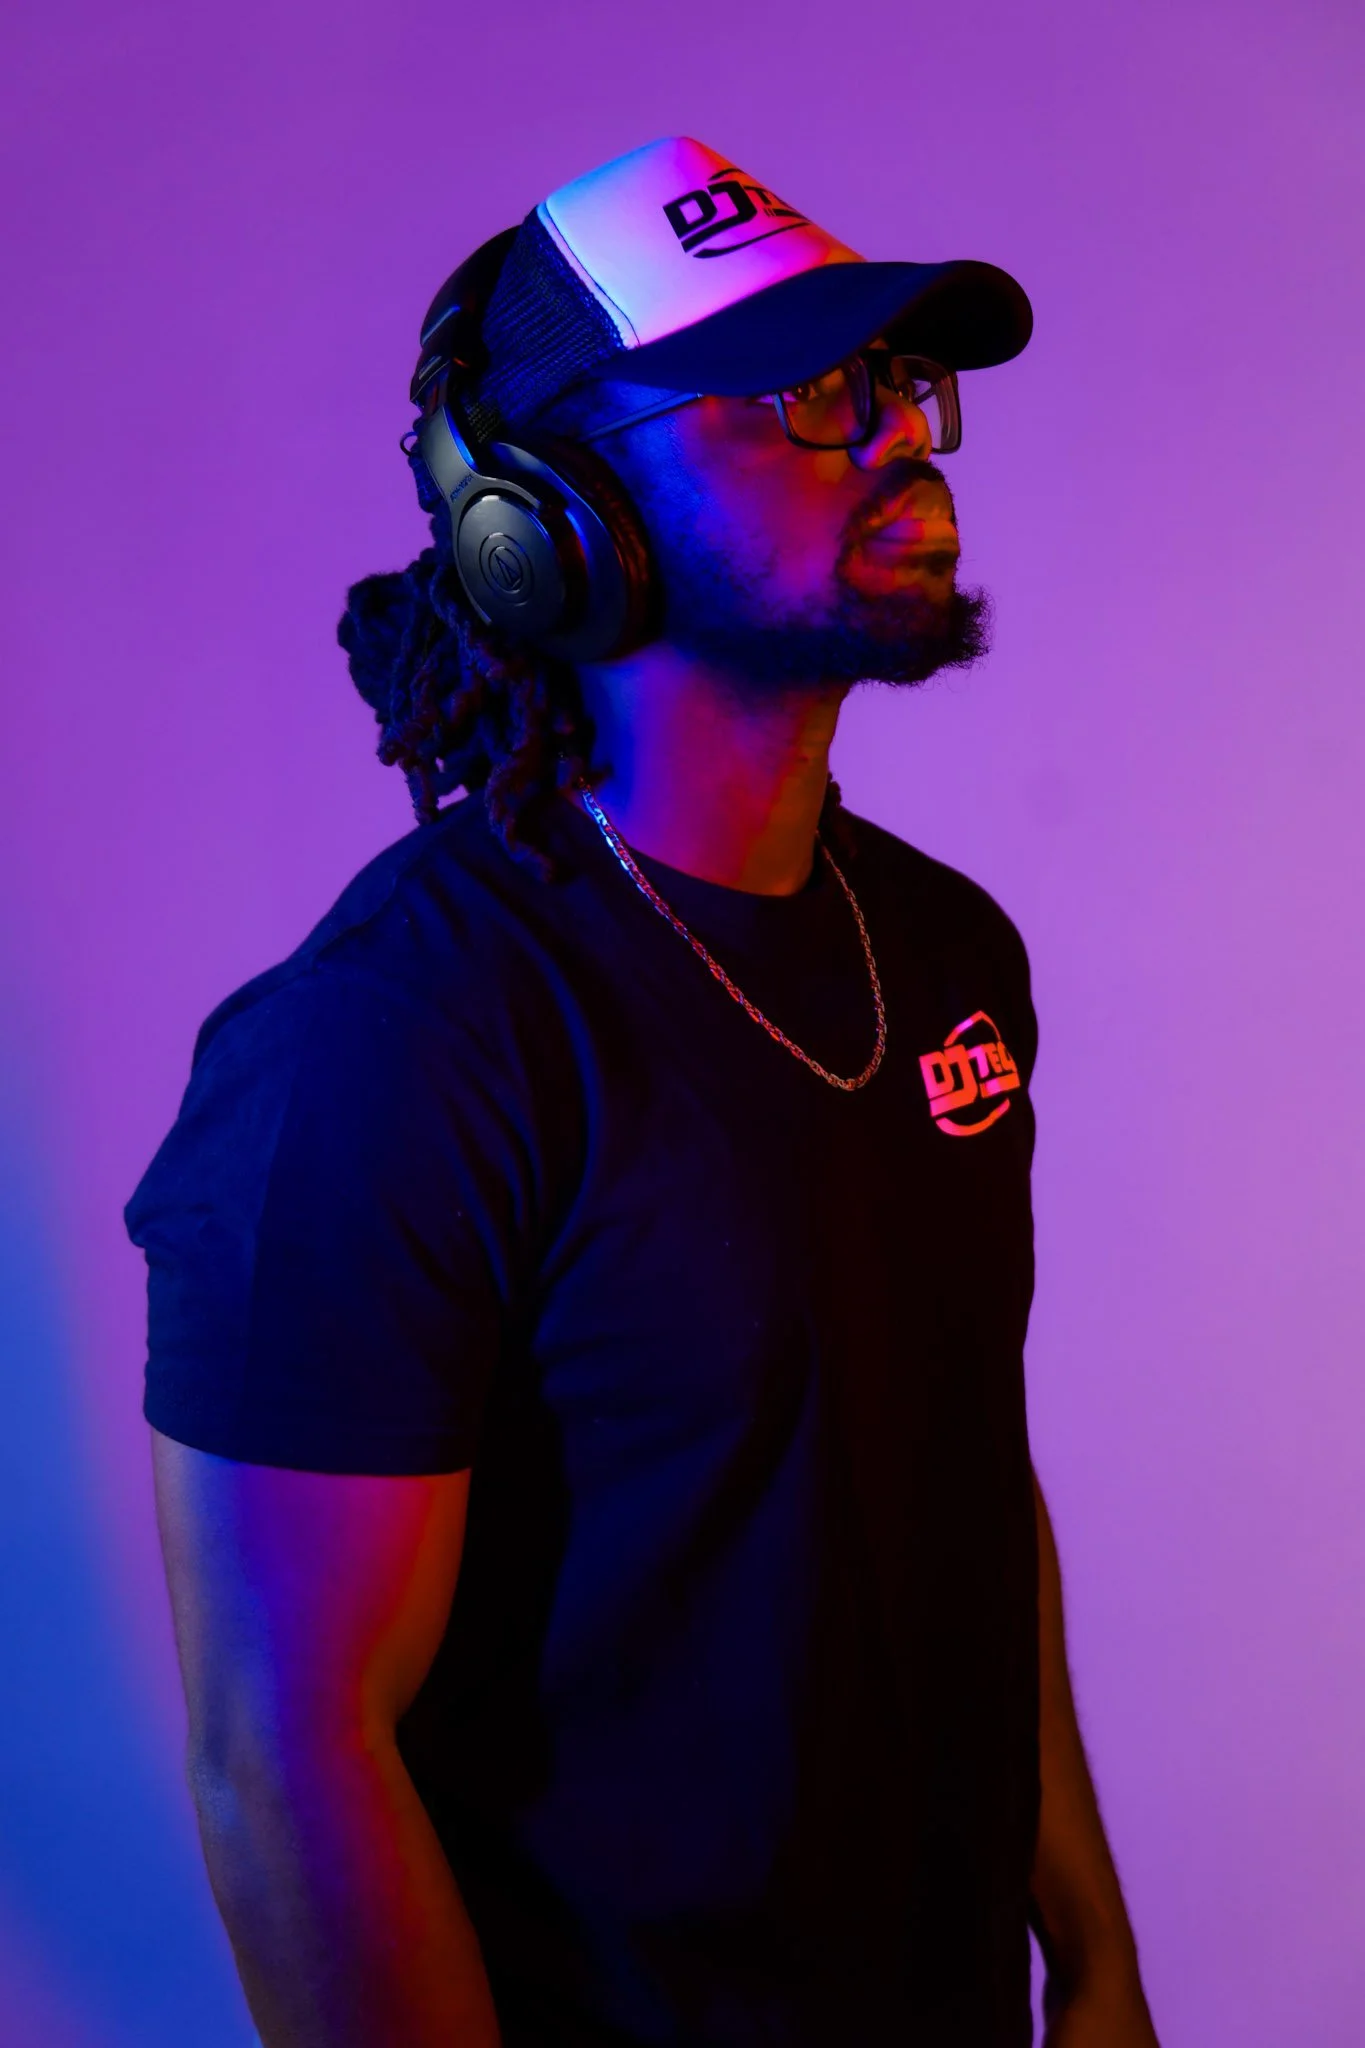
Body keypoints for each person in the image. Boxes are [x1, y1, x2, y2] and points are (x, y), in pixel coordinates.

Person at [128, 137, 1161, 2048]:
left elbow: (960, 1470)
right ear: (551, 517)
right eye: (805, 393)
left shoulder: (942, 955)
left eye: (898, 386)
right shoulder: (391, 1045)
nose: (898, 439)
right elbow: (290, 1757)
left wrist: (1089, 1952)